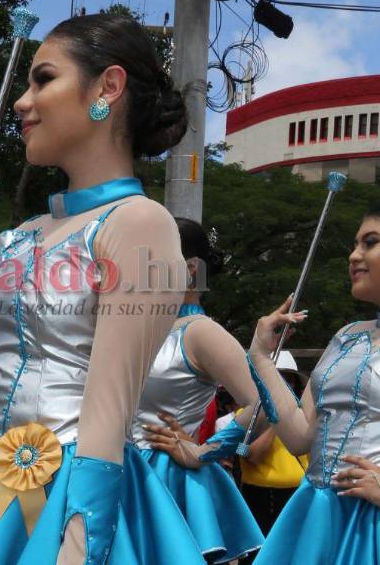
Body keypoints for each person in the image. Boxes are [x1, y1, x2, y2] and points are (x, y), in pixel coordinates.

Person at [0, 13, 206, 564]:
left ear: (107, 87)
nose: (21, 101)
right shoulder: (14, 240)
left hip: (70, 510)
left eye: (43, 79)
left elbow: (106, 421)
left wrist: (78, 548)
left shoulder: (138, 223)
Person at [246, 202, 380, 564]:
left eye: (370, 242)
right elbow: (299, 436)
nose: (354, 255)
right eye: (354, 244)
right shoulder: (346, 337)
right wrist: (262, 359)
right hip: (317, 519)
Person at [135, 218, 263, 562]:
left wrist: (206, 451)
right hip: (116, 470)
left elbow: (265, 402)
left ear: (190, 269)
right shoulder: (139, 329)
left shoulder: (200, 333)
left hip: (165, 483)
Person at [237, 354, 308, 565]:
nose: (283, 385)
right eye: (277, 378)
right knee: (261, 556)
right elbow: (252, 456)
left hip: (296, 496)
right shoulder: (246, 416)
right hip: (261, 499)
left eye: (287, 379)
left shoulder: (304, 415)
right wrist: (276, 419)